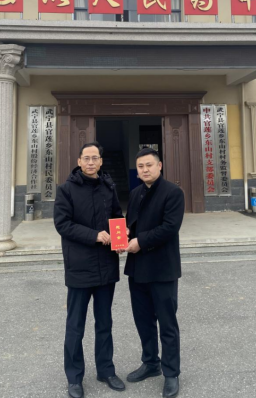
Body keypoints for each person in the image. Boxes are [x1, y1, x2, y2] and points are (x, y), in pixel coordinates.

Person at [54, 141, 126, 398]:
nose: (91, 162)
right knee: (75, 325)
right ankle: (74, 377)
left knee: (104, 322)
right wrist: (94, 235)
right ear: (79, 161)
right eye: (86, 158)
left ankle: (106, 370)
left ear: (101, 161)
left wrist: (121, 237)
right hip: (80, 267)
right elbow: (63, 224)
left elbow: (116, 216)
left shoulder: (108, 186)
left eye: (95, 158)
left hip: (106, 266)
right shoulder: (66, 190)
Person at [123, 147, 185, 398]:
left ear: (159, 166)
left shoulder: (173, 192)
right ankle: (150, 363)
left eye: (149, 165)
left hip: (162, 269)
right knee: (143, 320)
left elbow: (170, 227)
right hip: (138, 269)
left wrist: (140, 241)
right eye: (140, 166)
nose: (145, 169)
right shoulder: (135, 193)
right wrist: (126, 233)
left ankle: (171, 373)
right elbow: (131, 223)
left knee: (167, 323)